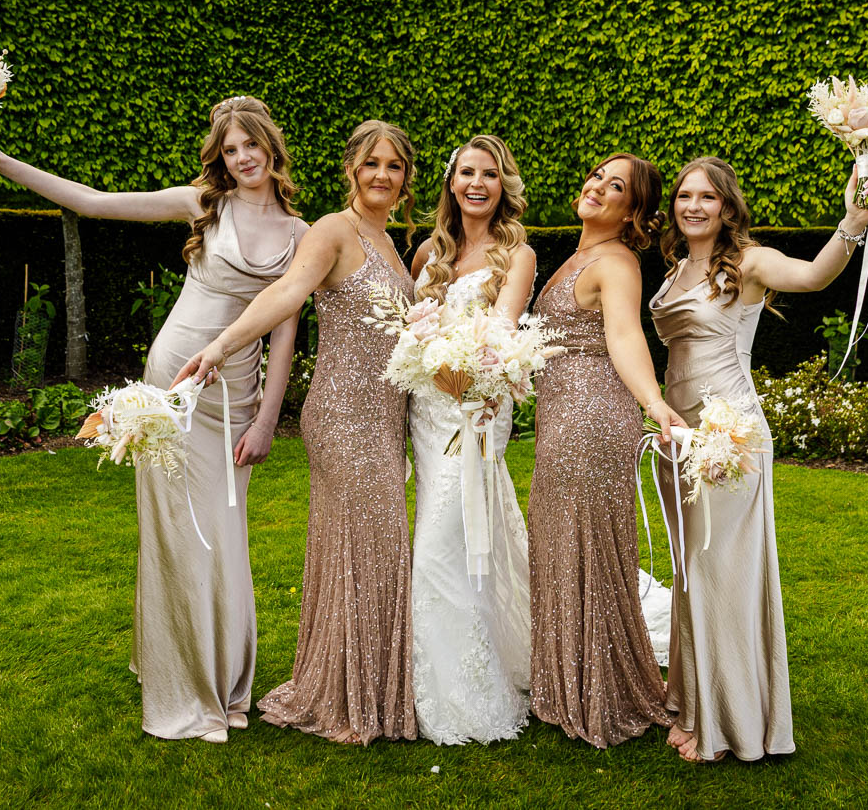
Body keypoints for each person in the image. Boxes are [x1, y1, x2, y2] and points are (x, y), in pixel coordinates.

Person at [0, 96, 305, 743]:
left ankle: (227, 679)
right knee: (177, 532)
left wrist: (267, 419)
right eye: (229, 149)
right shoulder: (202, 205)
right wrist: (2, 160)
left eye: (250, 145)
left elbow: (285, 335)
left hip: (236, 395)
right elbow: (95, 201)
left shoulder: (302, 235)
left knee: (226, 538)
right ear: (221, 157)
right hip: (173, 380)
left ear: (272, 147)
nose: (242, 157)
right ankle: (182, 677)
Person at [173, 120, 420, 745]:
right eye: (371, 165)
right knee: (364, 548)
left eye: (393, 166)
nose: (382, 176)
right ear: (352, 171)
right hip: (342, 414)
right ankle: (345, 696)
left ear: (406, 178)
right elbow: (287, 292)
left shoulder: (394, 243)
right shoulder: (334, 231)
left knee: (373, 549)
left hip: (385, 415)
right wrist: (223, 344)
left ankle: (365, 686)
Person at [651, 156, 868, 762]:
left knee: (723, 569)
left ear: (727, 207)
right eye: (684, 196)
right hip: (679, 436)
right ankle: (695, 696)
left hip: (729, 436)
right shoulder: (675, 269)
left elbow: (813, 275)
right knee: (692, 569)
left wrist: (852, 220)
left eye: (707, 197)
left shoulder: (748, 262)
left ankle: (729, 724)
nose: (693, 206)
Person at [527, 153, 685, 748]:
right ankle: (567, 682)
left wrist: (653, 400)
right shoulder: (578, 254)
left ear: (633, 212)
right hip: (562, 419)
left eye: (615, 187)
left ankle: (601, 691)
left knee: (588, 552)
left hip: (592, 421)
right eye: (597, 175)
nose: (597, 186)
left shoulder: (616, 263)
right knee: (563, 545)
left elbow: (624, 335)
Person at [407, 135, 536, 745]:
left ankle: (466, 693)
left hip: (476, 409)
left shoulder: (519, 254)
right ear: (451, 182)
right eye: (466, 173)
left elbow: (505, 333)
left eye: (488, 174)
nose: (476, 183)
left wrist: (462, 369)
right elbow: (411, 327)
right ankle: (422, 677)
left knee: (441, 540)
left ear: (502, 183)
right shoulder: (428, 254)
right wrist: (423, 362)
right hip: (426, 413)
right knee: (447, 538)